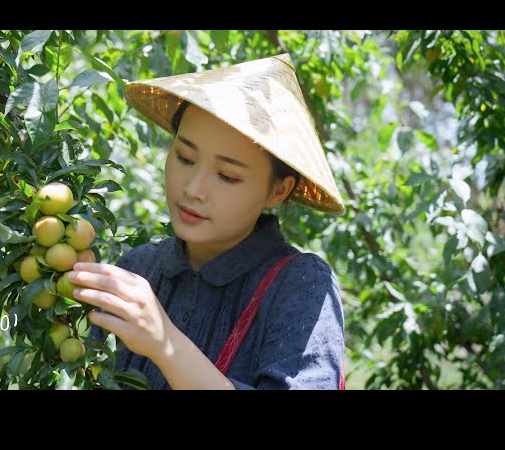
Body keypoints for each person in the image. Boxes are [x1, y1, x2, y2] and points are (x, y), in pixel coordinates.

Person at [67, 53, 346, 390]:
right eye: (184, 157)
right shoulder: (137, 271)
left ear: (278, 190)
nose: (194, 189)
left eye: (227, 176)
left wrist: (165, 344)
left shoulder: (301, 284)